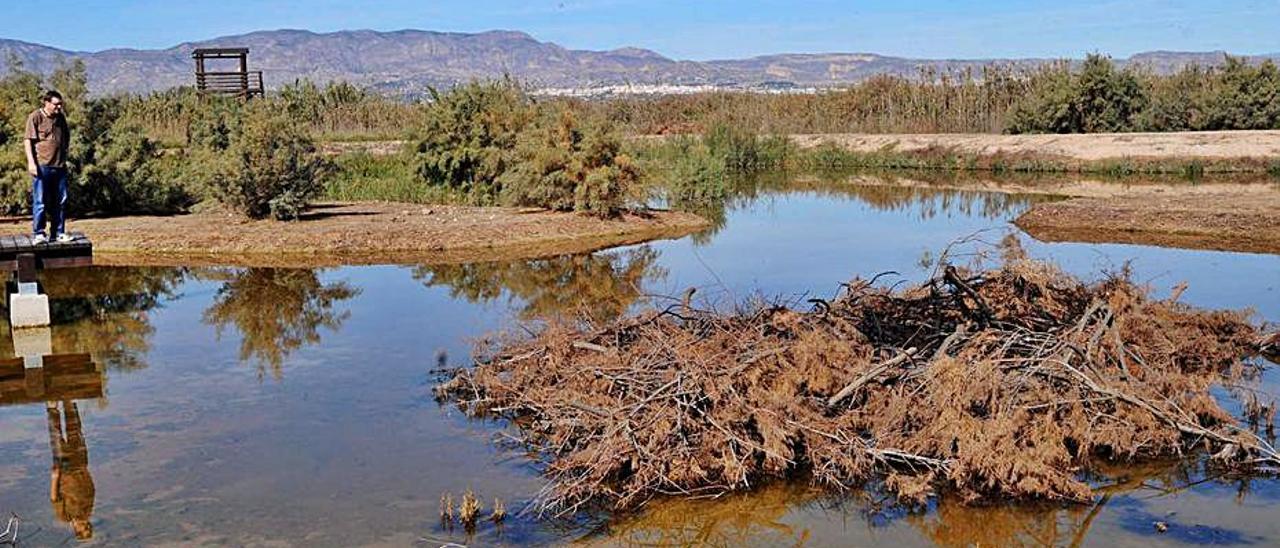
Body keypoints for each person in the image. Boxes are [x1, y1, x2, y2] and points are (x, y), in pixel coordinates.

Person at [24, 90, 73, 245]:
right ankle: (39, 233)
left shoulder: (60, 118)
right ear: (46, 103)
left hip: (59, 167)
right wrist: (32, 163)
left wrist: (64, 158)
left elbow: (66, 138)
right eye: (56, 104)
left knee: (61, 201)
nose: (59, 107)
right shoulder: (35, 117)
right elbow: (27, 141)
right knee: (40, 201)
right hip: (41, 167)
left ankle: (58, 232)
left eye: (60, 104)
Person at [47, 400, 95, 540]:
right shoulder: (88, 509)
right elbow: (91, 489)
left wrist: (55, 478)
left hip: (64, 471)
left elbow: (54, 498)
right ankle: (69, 401)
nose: (86, 525)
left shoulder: (64, 516)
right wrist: (84, 470)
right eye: (88, 526)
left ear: (76, 530)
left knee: (56, 436)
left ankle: (52, 407)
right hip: (80, 464)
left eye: (83, 529)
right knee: (75, 431)